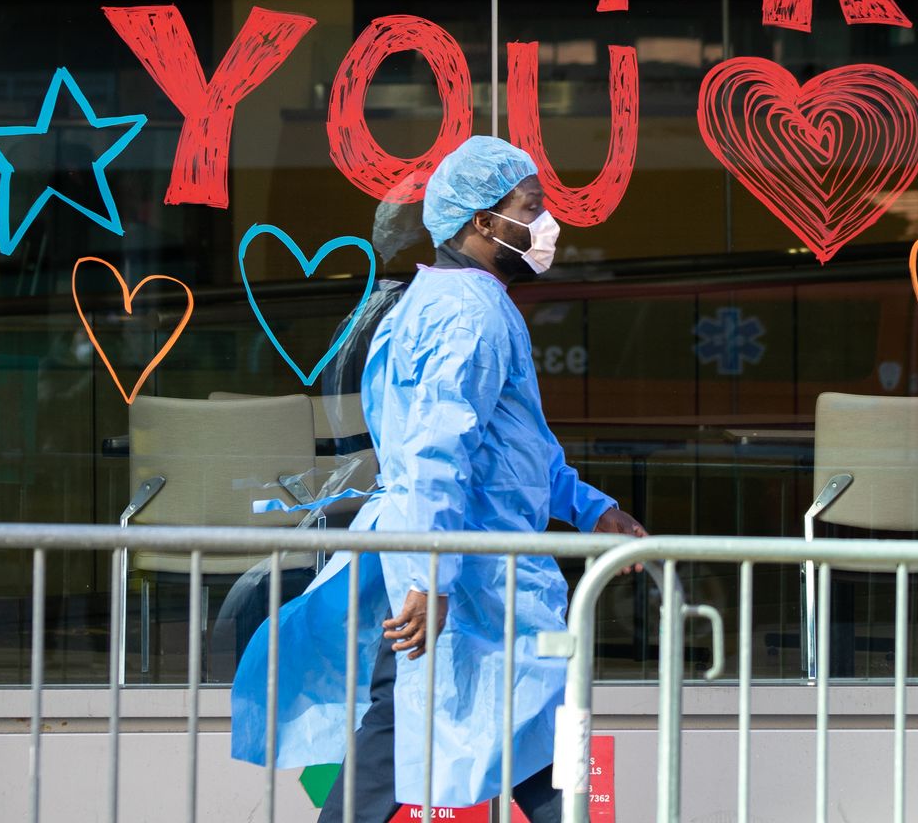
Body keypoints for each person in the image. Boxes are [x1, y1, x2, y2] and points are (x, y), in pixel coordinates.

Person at [231, 136, 647, 822]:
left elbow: (516, 447)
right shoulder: (469, 316)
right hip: (467, 573)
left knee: (520, 734)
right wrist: (429, 576)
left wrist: (590, 508)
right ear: (483, 222)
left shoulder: (450, 301)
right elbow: (435, 453)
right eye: (531, 208)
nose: (547, 223)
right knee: (455, 732)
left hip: (468, 570)